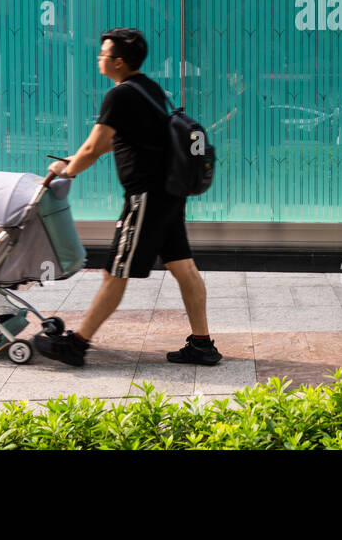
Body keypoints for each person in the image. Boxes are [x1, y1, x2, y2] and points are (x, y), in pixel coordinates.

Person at [34, 28, 220, 367]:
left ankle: (76, 345)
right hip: (169, 194)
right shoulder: (150, 89)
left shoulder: (119, 95)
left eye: (103, 55)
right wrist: (74, 160)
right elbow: (114, 141)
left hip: (145, 198)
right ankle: (202, 344)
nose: (99, 59)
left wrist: (68, 170)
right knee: (184, 267)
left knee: (115, 272)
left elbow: (93, 147)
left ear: (118, 62)